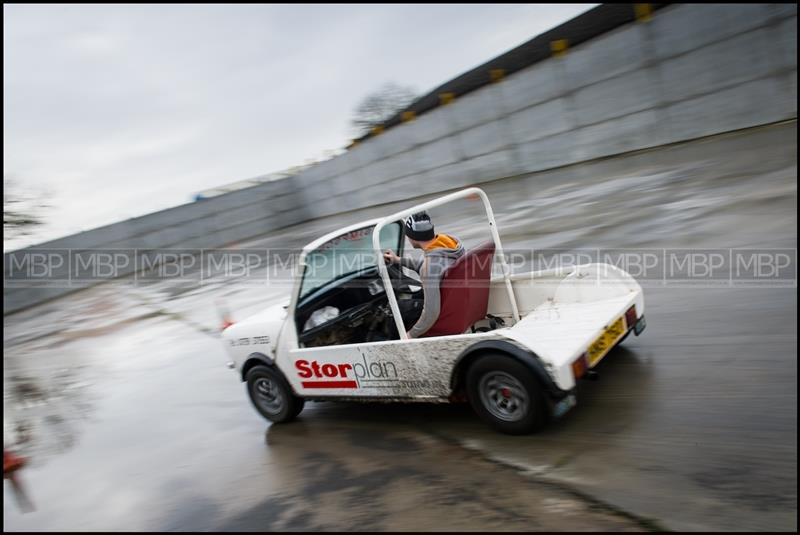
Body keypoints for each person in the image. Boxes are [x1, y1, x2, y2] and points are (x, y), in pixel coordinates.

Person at [383, 211, 464, 338]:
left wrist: (409, 335)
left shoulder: (430, 266)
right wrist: (397, 260)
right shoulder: (449, 245)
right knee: (414, 296)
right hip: (457, 303)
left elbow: (431, 313)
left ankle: (394, 346)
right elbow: (425, 265)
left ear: (412, 237)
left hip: (443, 311)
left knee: (395, 308)